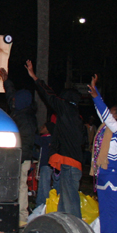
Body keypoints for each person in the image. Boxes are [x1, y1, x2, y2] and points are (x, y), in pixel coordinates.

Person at [25, 59, 83, 219]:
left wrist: (35, 78)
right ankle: (65, 227)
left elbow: (49, 95)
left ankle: (78, 232)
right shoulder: (75, 117)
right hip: (69, 163)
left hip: (70, 164)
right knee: (65, 200)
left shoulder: (66, 110)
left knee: (70, 201)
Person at [87, 74, 117, 233]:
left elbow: (105, 114)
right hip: (104, 171)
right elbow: (102, 113)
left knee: (112, 209)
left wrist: (97, 96)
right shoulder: (107, 128)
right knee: (104, 209)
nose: (108, 114)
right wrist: (95, 93)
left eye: (112, 112)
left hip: (115, 172)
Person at [0, 68, 36, 226]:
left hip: (21, 158)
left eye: (15, 101)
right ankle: (9, 213)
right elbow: (10, 94)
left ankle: (22, 218)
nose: (12, 101)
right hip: (14, 156)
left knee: (20, 186)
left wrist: (18, 160)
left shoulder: (26, 120)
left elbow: (27, 143)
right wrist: (6, 80)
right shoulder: (19, 111)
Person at [34, 121, 55, 208]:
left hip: (46, 165)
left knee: (45, 186)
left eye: (44, 127)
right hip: (44, 165)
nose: (41, 128)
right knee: (42, 185)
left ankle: (46, 204)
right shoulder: (46, 139)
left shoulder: (47, 139)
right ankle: (40, 205)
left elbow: (36, 139)